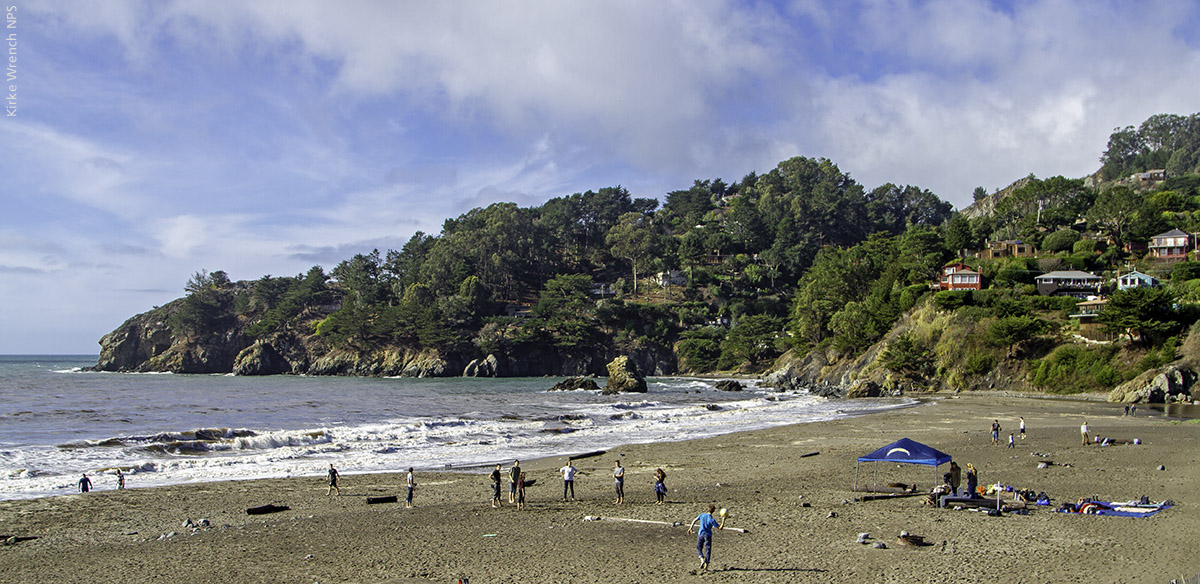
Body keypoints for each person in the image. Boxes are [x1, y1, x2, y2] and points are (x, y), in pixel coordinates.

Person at [687, 504, 726, 572]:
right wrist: (723, 520)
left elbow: (694, 520)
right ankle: (706, 567)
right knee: (708, 550)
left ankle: (701, 559)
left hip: (701, 534)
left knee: (699, 548)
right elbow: (720, 528)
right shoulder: (711, 519)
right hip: (708, 535)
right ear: (713, 511)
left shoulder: (702, 515)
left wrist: (690, 528)